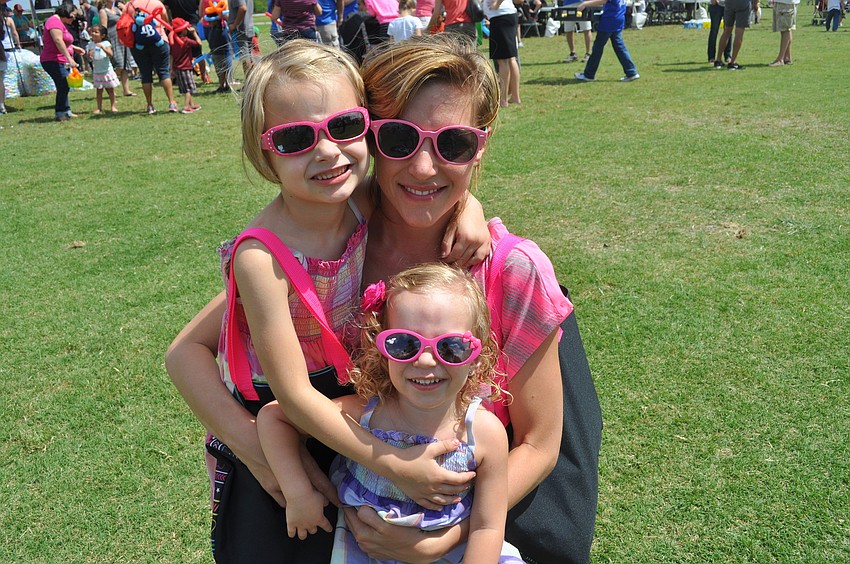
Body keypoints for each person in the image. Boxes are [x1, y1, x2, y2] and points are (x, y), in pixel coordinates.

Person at [167, 34, 601, 564]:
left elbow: (541, 444)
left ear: (480, 145)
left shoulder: (509, 269)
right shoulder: (333, 243)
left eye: (454, 144)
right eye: (398, 138)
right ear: (371, 136)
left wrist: (449, 531)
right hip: (326, 498)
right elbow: (186, 352)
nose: (423, 167)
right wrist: (260, 453)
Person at [258, 263, 525, 562]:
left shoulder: (485, 434)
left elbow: (486, 528)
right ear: (380, 348)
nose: (425, 361)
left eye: (451, 347)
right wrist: (298, 494)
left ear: (476, 357)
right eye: (403, 344)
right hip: (367, 553)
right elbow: (275, 417)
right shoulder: (368, 413)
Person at [124, 0, 179, 113]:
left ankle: (149, 105)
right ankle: (171, 102)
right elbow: (165, 20)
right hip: (159, 40)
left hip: (138, 44)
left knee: (145, 74)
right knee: (164, 72)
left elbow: (124, 23)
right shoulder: (156, 3)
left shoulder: (129, 5)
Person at [40, 3, 86, 121]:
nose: (74, 18)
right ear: (66, 12)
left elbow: (64, 41)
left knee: (64, 85)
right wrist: (69, 58)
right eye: (72, 15)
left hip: (60, 59)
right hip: (52, 60)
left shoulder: (60, 22)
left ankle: (66, 110)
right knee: (63, 85)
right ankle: (60, 112)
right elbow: (57, 40)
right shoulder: (53, 22)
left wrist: (74, 48)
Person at [574, 0, 639, 82]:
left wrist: (585, 4)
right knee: (620, 47)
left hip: (609, 20)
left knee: (597, 48)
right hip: (618, 18)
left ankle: (589, 75)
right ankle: (631, 72)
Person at [164, 0, 210, 82]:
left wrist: (169, 22)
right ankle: (204, 76)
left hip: (177, 26)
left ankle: (174, 75)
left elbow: (166, 8)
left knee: (175, 53)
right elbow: (200, 5)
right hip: (192, 24)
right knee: (198, 53)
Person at [98, 0, 137, 96]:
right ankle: (111, 90)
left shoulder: (117, 9)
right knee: (115, 64)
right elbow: (104, 28)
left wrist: (124, 8)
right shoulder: (103, 11)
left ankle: (126, 90)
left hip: (122, 39)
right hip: (112, 39)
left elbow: (128, 18)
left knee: (124, 64)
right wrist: (106, 43)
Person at [486, 0, 521, 107]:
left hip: (500, 17)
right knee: (511, 58)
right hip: (506, 16)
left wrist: (496, 4)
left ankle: (503, 99)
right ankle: (515, 96)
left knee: (503, 60)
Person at [169, 17, 202, 113]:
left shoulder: (173, 41)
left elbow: (171, 55)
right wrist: (194, 33)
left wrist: (171, 68)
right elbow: (199, 43)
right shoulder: (186, 40)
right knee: (189, 88)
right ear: (183, 30)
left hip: (177, 68)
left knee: (185, 87)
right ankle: (186, 107)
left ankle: (191, 104)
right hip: (186, 68)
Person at [713, 0, 758, 69]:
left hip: (729, 3)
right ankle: (732, 62)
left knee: (726, 31)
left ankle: (718, 60)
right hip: (743, 3)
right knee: (739, 32)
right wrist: (755, 4)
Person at [86, 24, 120, 113]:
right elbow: (89, 56)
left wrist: (103, 47)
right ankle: (99, 108)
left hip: (107, 70)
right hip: (97, 71)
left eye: (96, 32)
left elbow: (110, 54)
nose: (93, 33)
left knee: (110, 90)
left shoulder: (106, 43)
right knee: (99, 91)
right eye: (92, 31)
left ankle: (113, 106)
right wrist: (89, 54)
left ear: (103, 35)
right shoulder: (91, 44)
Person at [199, 0, 231, 92]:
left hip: (221, 53)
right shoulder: (213, 29)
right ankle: (224, 85)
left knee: (222, 70)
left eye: (210, 22)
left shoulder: (220, 29)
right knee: (220, 70)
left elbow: (222, 41)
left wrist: (219, 15)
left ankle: (223, 86)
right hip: (216, 52)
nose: (209, 24)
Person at [768, 0, 798, 66]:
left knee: (785, 29)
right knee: (785, 29)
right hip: (784, 3)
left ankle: (780, 59)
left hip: (786, 3)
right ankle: (787, 57)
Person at [227, 0, 253, 76]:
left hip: (241, 29)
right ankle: (253, 81)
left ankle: (249, 82)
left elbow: (243, 8)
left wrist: (235, 24)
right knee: (250, 56)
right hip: (249, 27)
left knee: (245, 56)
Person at [707, 0, 731, 65]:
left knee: (728, 30)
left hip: (728, 5)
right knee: (714, 31)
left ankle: (727, 55)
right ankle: (711, 57)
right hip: (715, 6)